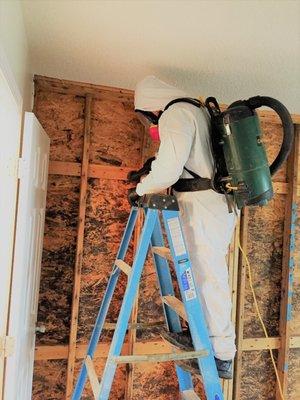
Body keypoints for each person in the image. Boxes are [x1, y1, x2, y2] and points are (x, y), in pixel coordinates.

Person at [129, 75, 237, 379]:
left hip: (204, 206)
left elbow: (168, 170)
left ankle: (223, 355)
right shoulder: (194, 111)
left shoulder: (176, 113)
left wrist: (141, 188)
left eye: (149, 116)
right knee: (200, 273)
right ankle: (205, 335)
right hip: (207, 204)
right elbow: (182, 159)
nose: (152, 123)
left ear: (152, 106)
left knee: (208, 275)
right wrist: (149, 171)